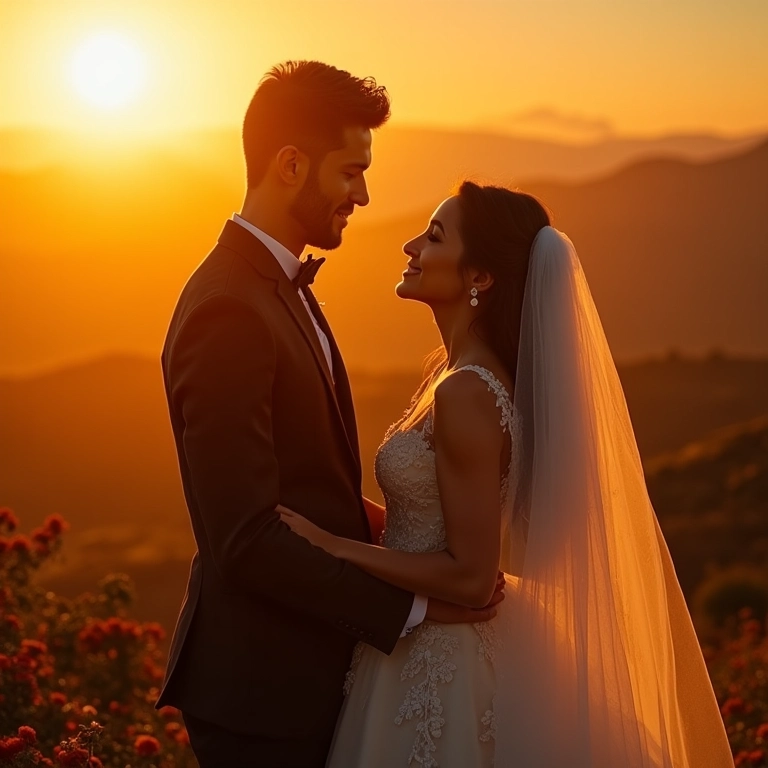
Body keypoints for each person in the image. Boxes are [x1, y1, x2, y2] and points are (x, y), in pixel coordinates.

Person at [280, 181, 735, 767]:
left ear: (482, 277)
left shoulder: (467, 391)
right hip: (421, 648)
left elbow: (471, 577)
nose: (411, 245)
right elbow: (441, 520)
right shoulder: (461, 377)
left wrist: (334, 548)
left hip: (441, 662)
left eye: (435, 236)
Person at [156, 62, 501, 768]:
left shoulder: (283, 288)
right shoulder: (229, 308)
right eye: (350, 172)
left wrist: (404, 528)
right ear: (290, 165)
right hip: (262, 693)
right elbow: (247, 536)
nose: (364, 194)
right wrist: (417, 611)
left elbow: (307, 488)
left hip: (314, 674)